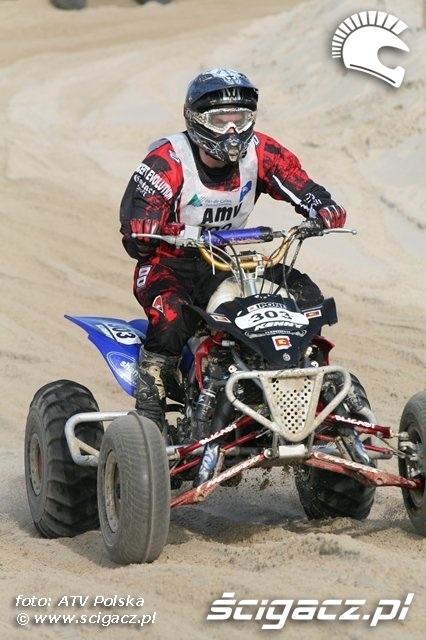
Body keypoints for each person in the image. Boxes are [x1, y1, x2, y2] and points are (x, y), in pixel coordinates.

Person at [119, 67, 346, 431]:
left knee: (304, 297)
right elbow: (136, 234)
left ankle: (309, 383)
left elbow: (297, 182)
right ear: (196, 119)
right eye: (220, 120)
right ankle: (151, 411)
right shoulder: (168, 160)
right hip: (169, 264)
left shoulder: (261, 152)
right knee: (172, 317)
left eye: (239, 120)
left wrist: (322, 206)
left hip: (226, 262)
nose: (231, 131)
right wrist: (148, 228)